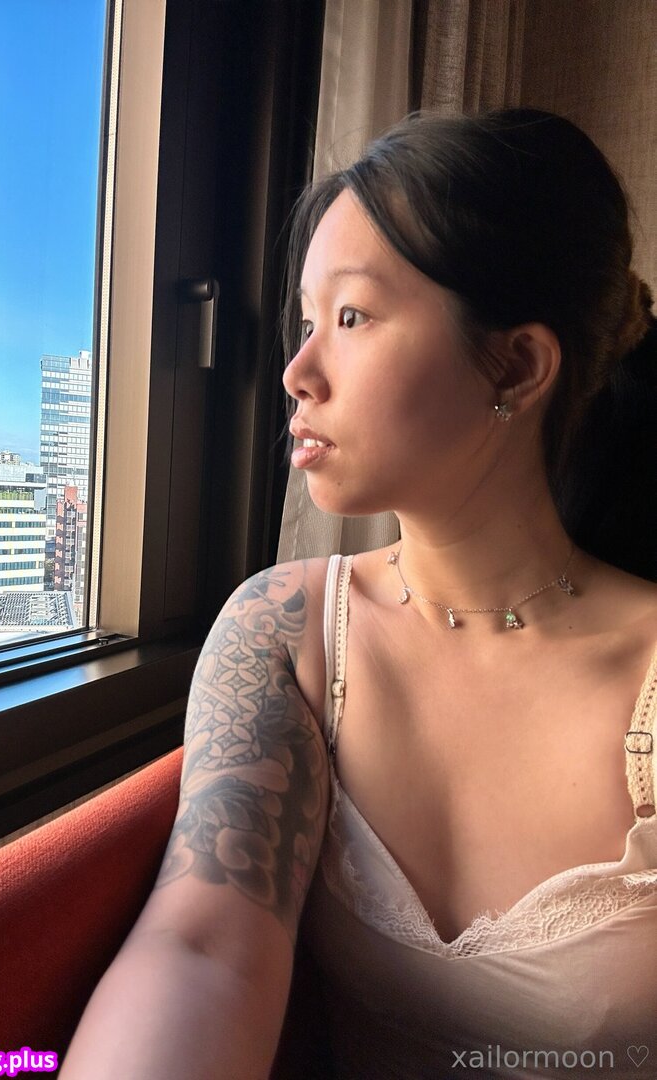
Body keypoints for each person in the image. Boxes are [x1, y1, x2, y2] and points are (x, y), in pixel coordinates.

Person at [59, 109, 657, 1079]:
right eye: (307, 322)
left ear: (516, 365)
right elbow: (200, 945)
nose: (297, 373)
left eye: (352, 318)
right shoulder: (287, 630)